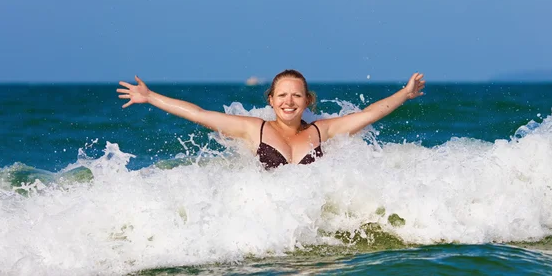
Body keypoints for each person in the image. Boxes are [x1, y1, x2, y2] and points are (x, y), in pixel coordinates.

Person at [117, 69, 425, 169]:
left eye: (295, 96)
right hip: (270, 230)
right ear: (271, 100)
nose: (288, 102)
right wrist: (150, 97)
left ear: (307, 101)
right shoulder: (254, 129)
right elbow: (199, 114)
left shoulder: (322, 130)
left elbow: (370, 114)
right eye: (282, 95)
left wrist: (405, 93)